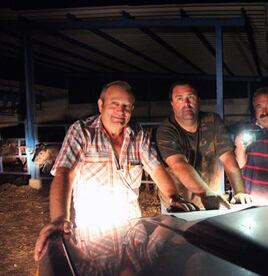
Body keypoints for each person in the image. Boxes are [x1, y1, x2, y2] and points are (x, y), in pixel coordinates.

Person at [34, 81, 197, 274]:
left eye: (126, 106)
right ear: (101, 105)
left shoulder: (139, 135)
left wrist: (173, 197)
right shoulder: (82, 132)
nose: (121, 111)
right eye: (114, 104)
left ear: (132, 109)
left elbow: (156, 169)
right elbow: (65, 173)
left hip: (132, 225)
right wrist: (60, 217)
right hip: (92, 232)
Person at [156, 81, 253, 210]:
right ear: (172, 104)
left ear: (198, 100)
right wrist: (206, 194)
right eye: (179, 99)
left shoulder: (213, 121)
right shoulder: (166, 130)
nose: (186, 104)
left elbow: (228, 157)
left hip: (212, 198)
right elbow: (178, 164)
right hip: (179, 202)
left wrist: (240, 191)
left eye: (191, 97)